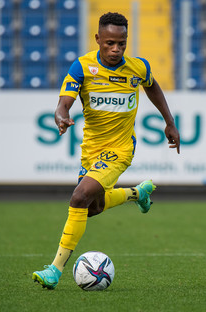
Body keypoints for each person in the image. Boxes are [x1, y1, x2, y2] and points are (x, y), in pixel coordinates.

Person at [32, 12, 180, 289]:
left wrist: (169, 122)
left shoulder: (138, 68)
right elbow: (64, 101)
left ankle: (55, 270)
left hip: (120, 149)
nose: (116, 49)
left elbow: (153, 88)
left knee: (79, 197)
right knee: (92, 208)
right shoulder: (83, 66)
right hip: (91, 150)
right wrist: (61, 114)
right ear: (98, 39)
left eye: (121, 43)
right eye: (110, 43)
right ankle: (137, 193)